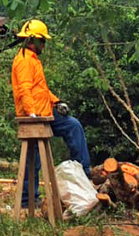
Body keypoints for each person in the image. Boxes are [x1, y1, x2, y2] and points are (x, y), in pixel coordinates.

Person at [11, 19, 91, 206]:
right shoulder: (24, 61)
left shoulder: (32, 59)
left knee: (73, 126)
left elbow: (41, 90)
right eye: (42, 41)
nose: (44, 45)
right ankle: (28, 199)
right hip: (34, 116)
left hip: (44, 113)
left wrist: (56, 101)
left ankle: (83, 174)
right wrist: (31, 114)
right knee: (33, 157)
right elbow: (24, 90)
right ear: (34, 40)